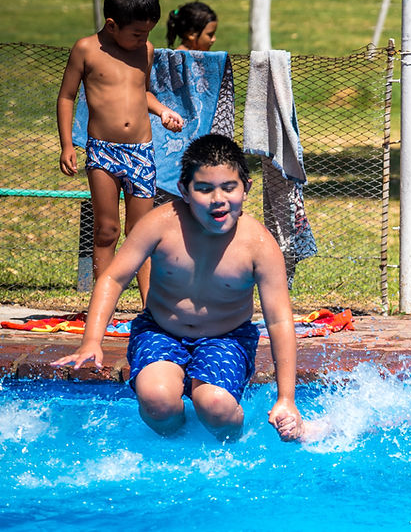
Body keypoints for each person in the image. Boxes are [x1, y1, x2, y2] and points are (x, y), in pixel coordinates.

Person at [52, 134, 303, 442]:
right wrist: (92, 340)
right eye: (204, 189)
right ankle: (181, 445)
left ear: (246, 188)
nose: (218, 199)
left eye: (229, 187)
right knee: (157, 400)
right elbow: (113, 278)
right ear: (184, 190)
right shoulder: (161, 224)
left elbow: (279, 320)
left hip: (225, 337)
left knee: (215, 406)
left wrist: (286, 399)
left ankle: (236, 440)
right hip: (161, 330)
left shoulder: (259, 245)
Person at [56, 0, 185, 305]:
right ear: (112, 25)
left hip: (140, 152)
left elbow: (141, 91)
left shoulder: (146, 50)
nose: (144, 39)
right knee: (107, 229)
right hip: (103, 152)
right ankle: (104, 302)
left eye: (148, 33)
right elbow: (67, 97)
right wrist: (68, 144)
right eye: (138, 33)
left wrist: (162, 111)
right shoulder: (87, 49)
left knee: (141, 233)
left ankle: (150, 307)